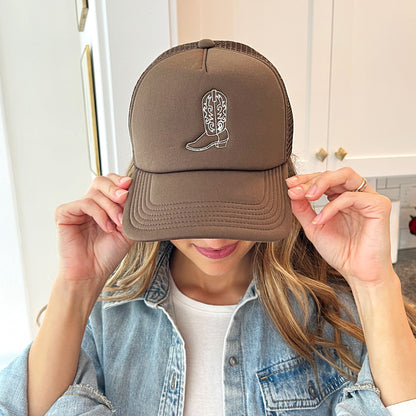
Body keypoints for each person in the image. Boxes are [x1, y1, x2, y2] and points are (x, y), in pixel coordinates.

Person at [1, 39, 416, 416]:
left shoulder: (338, 314)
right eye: (189, 209)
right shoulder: (106, 321)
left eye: (241, 208)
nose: (215, 238)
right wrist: (76, 286)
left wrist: (375, 284)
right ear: (140, 189)